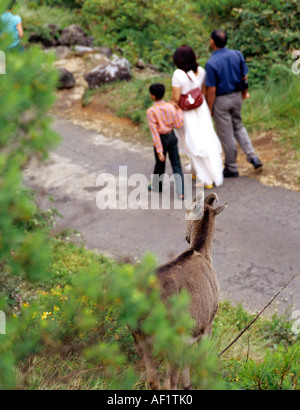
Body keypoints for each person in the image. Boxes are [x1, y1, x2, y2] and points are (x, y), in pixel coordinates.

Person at [205, 29, 263, 178]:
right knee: (238, 126)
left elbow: (211, 90)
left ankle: (231, 167)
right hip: (237, 97)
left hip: (221, 100)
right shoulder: (237, 54)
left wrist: (209, 108)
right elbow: (244, 77)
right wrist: (244, 93)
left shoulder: (211, 63)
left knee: (226, 134)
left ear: (212, 42)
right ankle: (252, 156)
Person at [171, 45, 223, 189]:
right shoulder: (201, 71)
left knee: (193, 142)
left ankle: (207, 178)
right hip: (201, 108)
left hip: (187, 112)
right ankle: (197, 171)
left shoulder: (178, 74)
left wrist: (170, 106)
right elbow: (203, 91)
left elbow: (175, 98)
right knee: (206, 138)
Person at [147, 83, 185, 199]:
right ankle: (181, 192)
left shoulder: (151, 111)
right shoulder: (171, 107)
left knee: (160, 163)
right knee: (176, 164)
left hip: (161, 139)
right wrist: (178, 110)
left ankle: (156, 185)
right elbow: (178, 124)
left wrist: (159, 150)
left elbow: (155, 132)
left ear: (152, 96)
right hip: (172, 136)